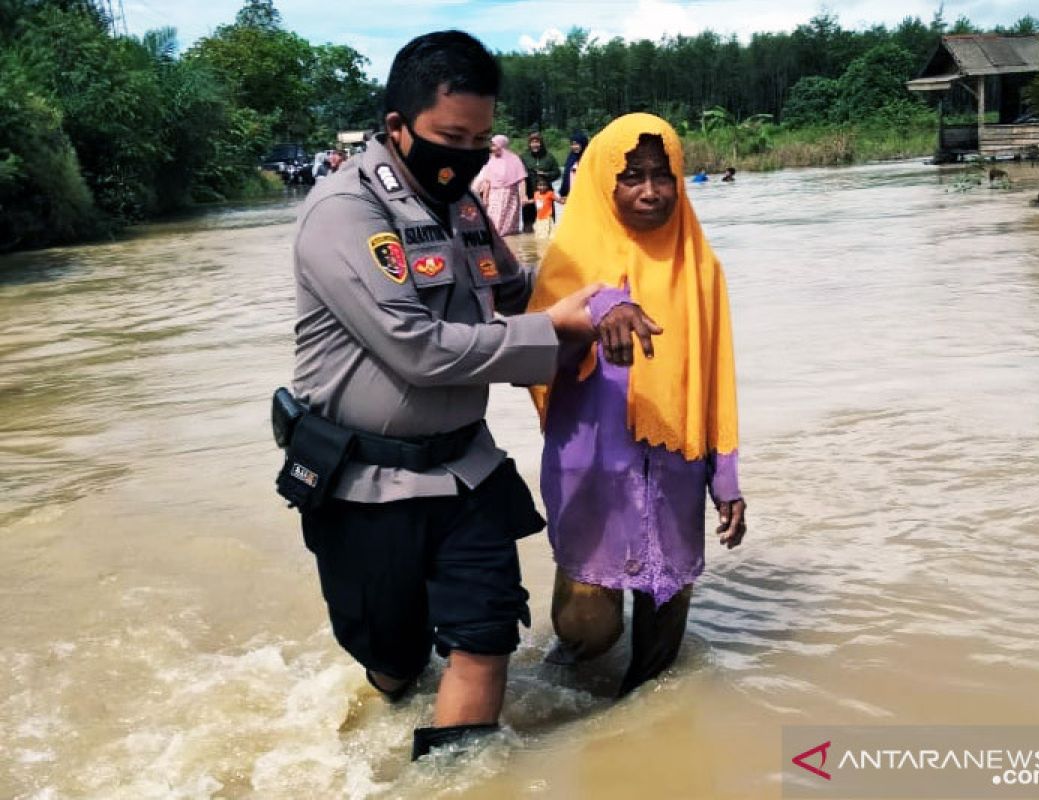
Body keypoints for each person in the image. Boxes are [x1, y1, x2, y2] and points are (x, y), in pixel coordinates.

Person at [286, 30, 600, 761]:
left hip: (466, 471)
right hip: (367, 485)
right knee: (394, 665)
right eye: (449, 137)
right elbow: (418, 349)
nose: (466, 157)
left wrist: (610, 288)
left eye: (481, 140)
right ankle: (385, 696)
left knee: (484, 639)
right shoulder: (345, 213)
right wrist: (552, 335)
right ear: (397, 127)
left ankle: (453, 781)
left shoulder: (463, 208)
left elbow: (521, 290)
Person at [527, 113, 747, 697]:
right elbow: (528, 360)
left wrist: (724, 477)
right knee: (586, 631)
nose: (651, 191)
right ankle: (550, 721)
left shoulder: (701, 266)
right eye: (632, 177)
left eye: (663, 174)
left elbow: (716, 375)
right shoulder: (568, 265)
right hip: (592, 468)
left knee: (659, 660)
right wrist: (597, 310)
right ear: (603, 181)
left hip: (675, 468)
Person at [476, 134, 527, 235]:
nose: (492, 148)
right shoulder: (491, 160)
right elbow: (487, 180)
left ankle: (510, 245)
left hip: (510, 195)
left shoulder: (514, 159)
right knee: (494, 222)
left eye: (494, 145)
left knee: (509, 226)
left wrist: (523, 195)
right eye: (492, 145)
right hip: (494, 195)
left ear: (502, 145)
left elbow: (521, 179)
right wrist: (485, 198)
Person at [520, 131, 560, 232]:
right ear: (529, 144)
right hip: (529, 194)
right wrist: (521, 194)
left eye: (537, 142)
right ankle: (529, 246)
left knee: (547, 226)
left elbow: (557, 173)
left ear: (541, 143)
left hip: (546, 195)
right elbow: (518, 175)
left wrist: (546, 175)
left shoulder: (549, 157)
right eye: (532, 142)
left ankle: (546, 246)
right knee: (529, 227)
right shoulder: (524, 157)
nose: (535, 144)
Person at [558, 131, 589, 198]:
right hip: (571, 195)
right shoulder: (571, 158)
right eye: (572, 144)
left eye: (576, 144)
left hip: (586, 194)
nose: (574, 147)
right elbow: (566, 176)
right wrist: (564, 193)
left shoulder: (589, 158)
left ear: (583, 144)